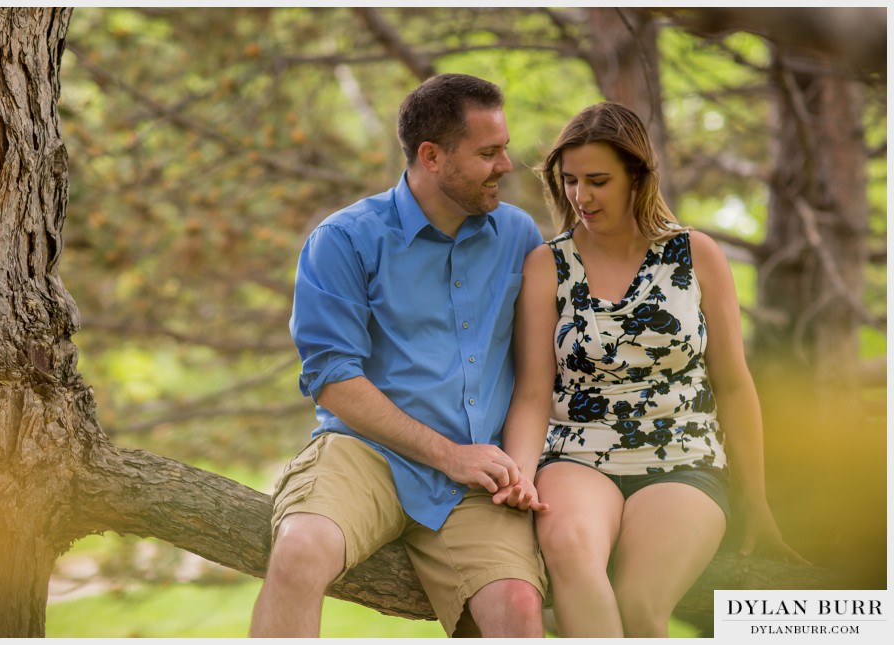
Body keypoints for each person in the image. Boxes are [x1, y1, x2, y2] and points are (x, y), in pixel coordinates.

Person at [248, 73, 548, 638]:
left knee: (517, 607)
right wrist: (447, 454)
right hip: (369, 454)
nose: (506, 165)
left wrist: (511, 469)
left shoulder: (518, 236)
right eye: (489, 152)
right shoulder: (343, 239)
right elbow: (333, 378)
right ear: (432, 156)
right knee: (300, 550)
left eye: (504, 147)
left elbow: (537, 376)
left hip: (480, 478)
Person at [498, 101, 808, 638]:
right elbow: (531, 392)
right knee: (573, 557)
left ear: (637, 177)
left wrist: (757, 499)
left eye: (598, 180)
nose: (581, 196)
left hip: (685, 462)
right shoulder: (547, 264)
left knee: (640, 607)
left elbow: (734, 383)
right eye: (570, 180)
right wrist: (522, 476)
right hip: (576, 457)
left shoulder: (696, 255)